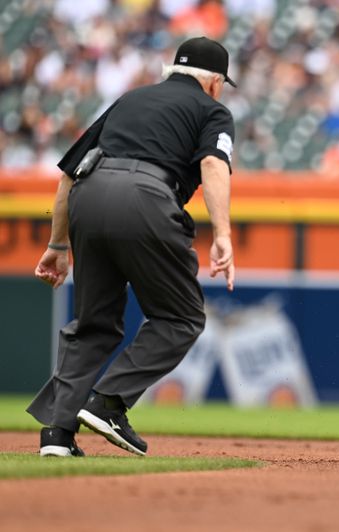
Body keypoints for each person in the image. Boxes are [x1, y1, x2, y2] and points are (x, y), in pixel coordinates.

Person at [28, 36, 237, 457]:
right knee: (181, 317)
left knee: (92, 324)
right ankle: (108, 403)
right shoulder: (213, 110)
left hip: (89, 196)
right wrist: (222, 234)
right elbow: (213, 163)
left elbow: (69, 174)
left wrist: (57, 244)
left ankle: (57, 436)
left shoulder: (129, 99)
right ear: (215, 82)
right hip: (147, 196)